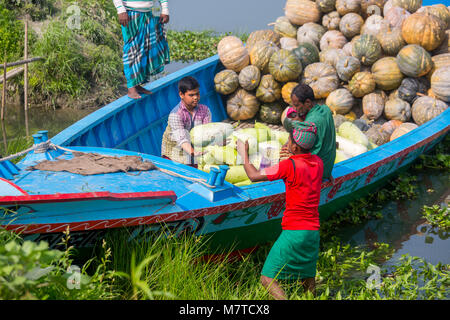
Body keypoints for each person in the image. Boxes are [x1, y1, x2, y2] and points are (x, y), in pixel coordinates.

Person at [237, 121, 323, 300]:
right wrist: (291, 152)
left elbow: (253, 176)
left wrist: (243, 153)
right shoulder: (318, 162)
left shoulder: (289, 166)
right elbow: (302, 162)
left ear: (294, 145)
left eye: (290, 140)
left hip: (294, 232)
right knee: (307, 278)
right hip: (313, 231)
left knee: (267, 278)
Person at [113, 0, 170, 99]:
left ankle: (137, 84)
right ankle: (131, 87)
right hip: (130, 13)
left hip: (147, 13)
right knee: (131, 49)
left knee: (144, 49)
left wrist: (165, 9)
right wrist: (120, 9)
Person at [280, 84, 336, 180]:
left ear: (308, 102)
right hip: (327, 166)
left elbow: (306, 152)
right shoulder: (326, 110)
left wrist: (290, 152)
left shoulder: (310, 123)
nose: (294, 109)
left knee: (282, 161)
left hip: (317, 171)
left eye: (297, 105)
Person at [161, 76, 211, 167]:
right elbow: (182, 139)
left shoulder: (205, 111)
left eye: (197, 94)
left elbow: (207, 132)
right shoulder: (175, 115)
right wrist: (194, 153)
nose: (196, 97)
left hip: (194, 151)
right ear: (181, 94)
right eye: (191, 95)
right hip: (173, 153)